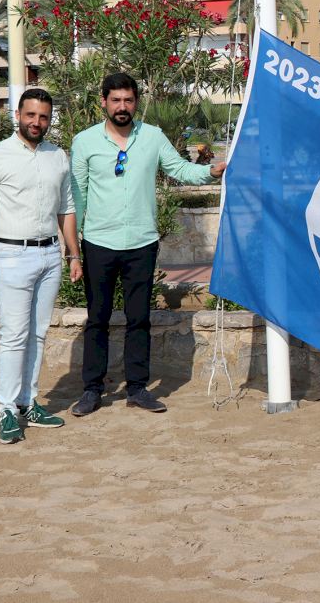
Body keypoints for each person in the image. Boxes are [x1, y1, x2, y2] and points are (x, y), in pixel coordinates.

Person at [69, 73, 226, 417]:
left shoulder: (152, 137)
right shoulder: (84, 141)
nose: (122, 106)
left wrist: (210, 173)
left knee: (139, 318)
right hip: (98, 242)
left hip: (141, 243)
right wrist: (73, 251)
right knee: (97, 318)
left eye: (128, 100)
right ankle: (92, 390)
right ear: (104, 102)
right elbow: (77, 197)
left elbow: (180, 169)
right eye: (116, 100)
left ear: (136, 102)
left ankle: (137, 389)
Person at [0, 88, 82, 444]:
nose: (37, 122)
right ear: (17, 115)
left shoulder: (58, 156)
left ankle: (28, 402)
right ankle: (6, 408)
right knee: (14, 335)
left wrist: (73, 254)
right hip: (11, 255)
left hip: (49, 255)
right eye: (31, 115)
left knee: (38, 333)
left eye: (43, 116)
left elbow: (66, 209)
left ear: (50, 119)